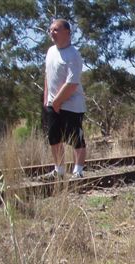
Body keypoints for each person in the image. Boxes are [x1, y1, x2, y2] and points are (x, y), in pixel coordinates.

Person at [42, 19, 86, 180]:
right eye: (50, 30)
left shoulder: (73, 54)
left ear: (67, 32)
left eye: (55, 30)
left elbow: (72, 83)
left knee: (76, 139)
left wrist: (58, 102)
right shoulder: (50, 51)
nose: (51, 32)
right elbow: (48, 76)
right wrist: (47, 98)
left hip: (72, 105)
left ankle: (78, 171)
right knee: (54, 138)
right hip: (53, 104)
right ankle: (59, 170)